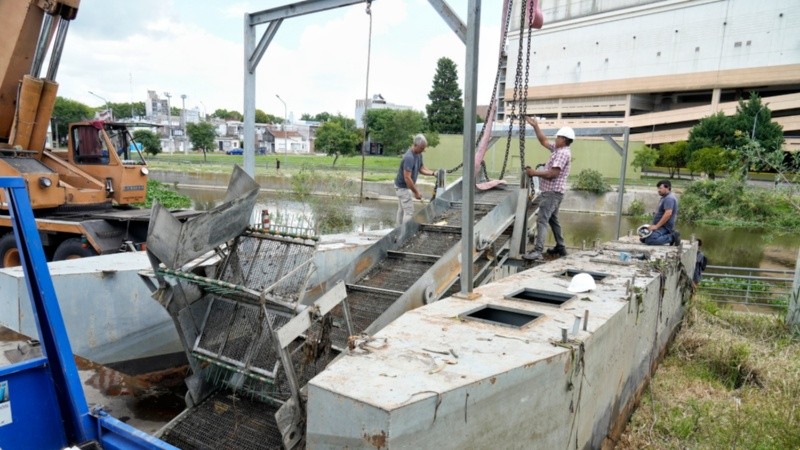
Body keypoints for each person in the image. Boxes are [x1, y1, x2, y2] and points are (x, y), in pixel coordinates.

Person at [522, 117, 573, 261]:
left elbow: (552, 174)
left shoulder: (562, 154)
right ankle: (560, 247)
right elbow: (543, 141)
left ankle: (538, 251)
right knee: (553, 220)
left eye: (558, 137)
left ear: (564, 139)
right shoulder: (559, 149)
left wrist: (534, 173)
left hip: (552, 193)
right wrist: (536, 126)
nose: (555, 139)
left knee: (542, 220)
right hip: (554, 193)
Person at [394, 134, 436, 226]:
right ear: (415, 145)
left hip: (404, 187)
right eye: (421, 148)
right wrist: (416, 192)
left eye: (424, 148)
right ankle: (404, 233)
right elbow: (407, 178)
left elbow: (421, 168)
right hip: (402, 187)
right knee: (409, 211)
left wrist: (433, 173)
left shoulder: (418, 154)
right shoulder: (409, 157)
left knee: (401, 209)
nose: (423, 150)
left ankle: (398, 230)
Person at [640, 179, 680, 246]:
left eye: (660, 188)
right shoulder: (665, 197)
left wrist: (656, 226)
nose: (658, 190)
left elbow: (668, 214)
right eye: (658, 188)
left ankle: (672, 237)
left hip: (664, 227)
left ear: (667, 187)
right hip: (660, 226)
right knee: (643, 238)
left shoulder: (669, 198)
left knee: (650, 240)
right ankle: (667, 235)